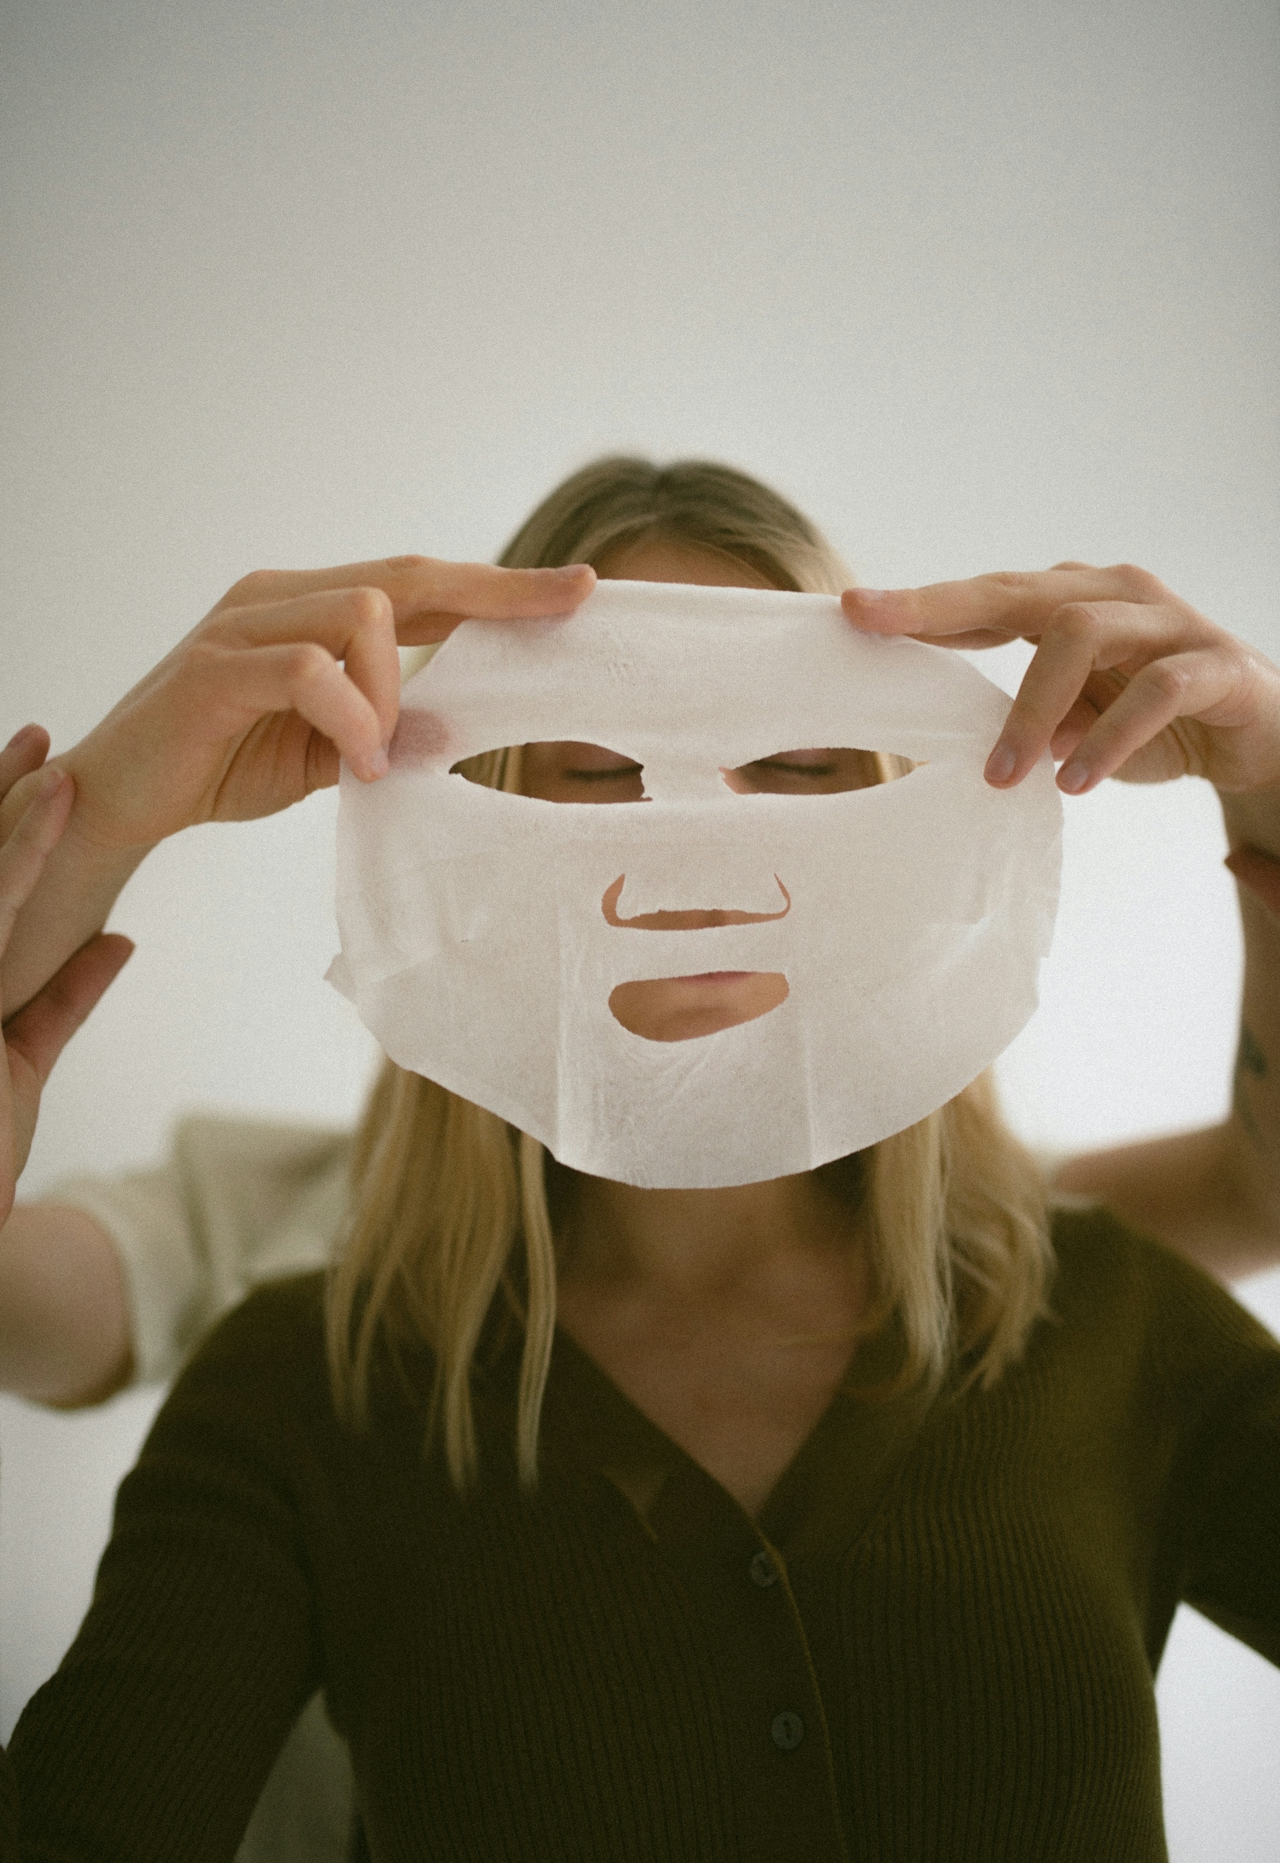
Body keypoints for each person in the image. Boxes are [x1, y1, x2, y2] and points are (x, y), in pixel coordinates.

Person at [1, 457, 1279, 1862]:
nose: (697, 845)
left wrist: (1273, 786)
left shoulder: (1104, 1323)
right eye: (597, 771)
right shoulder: (309, 1388)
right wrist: (98, 816)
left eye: (795, 764)